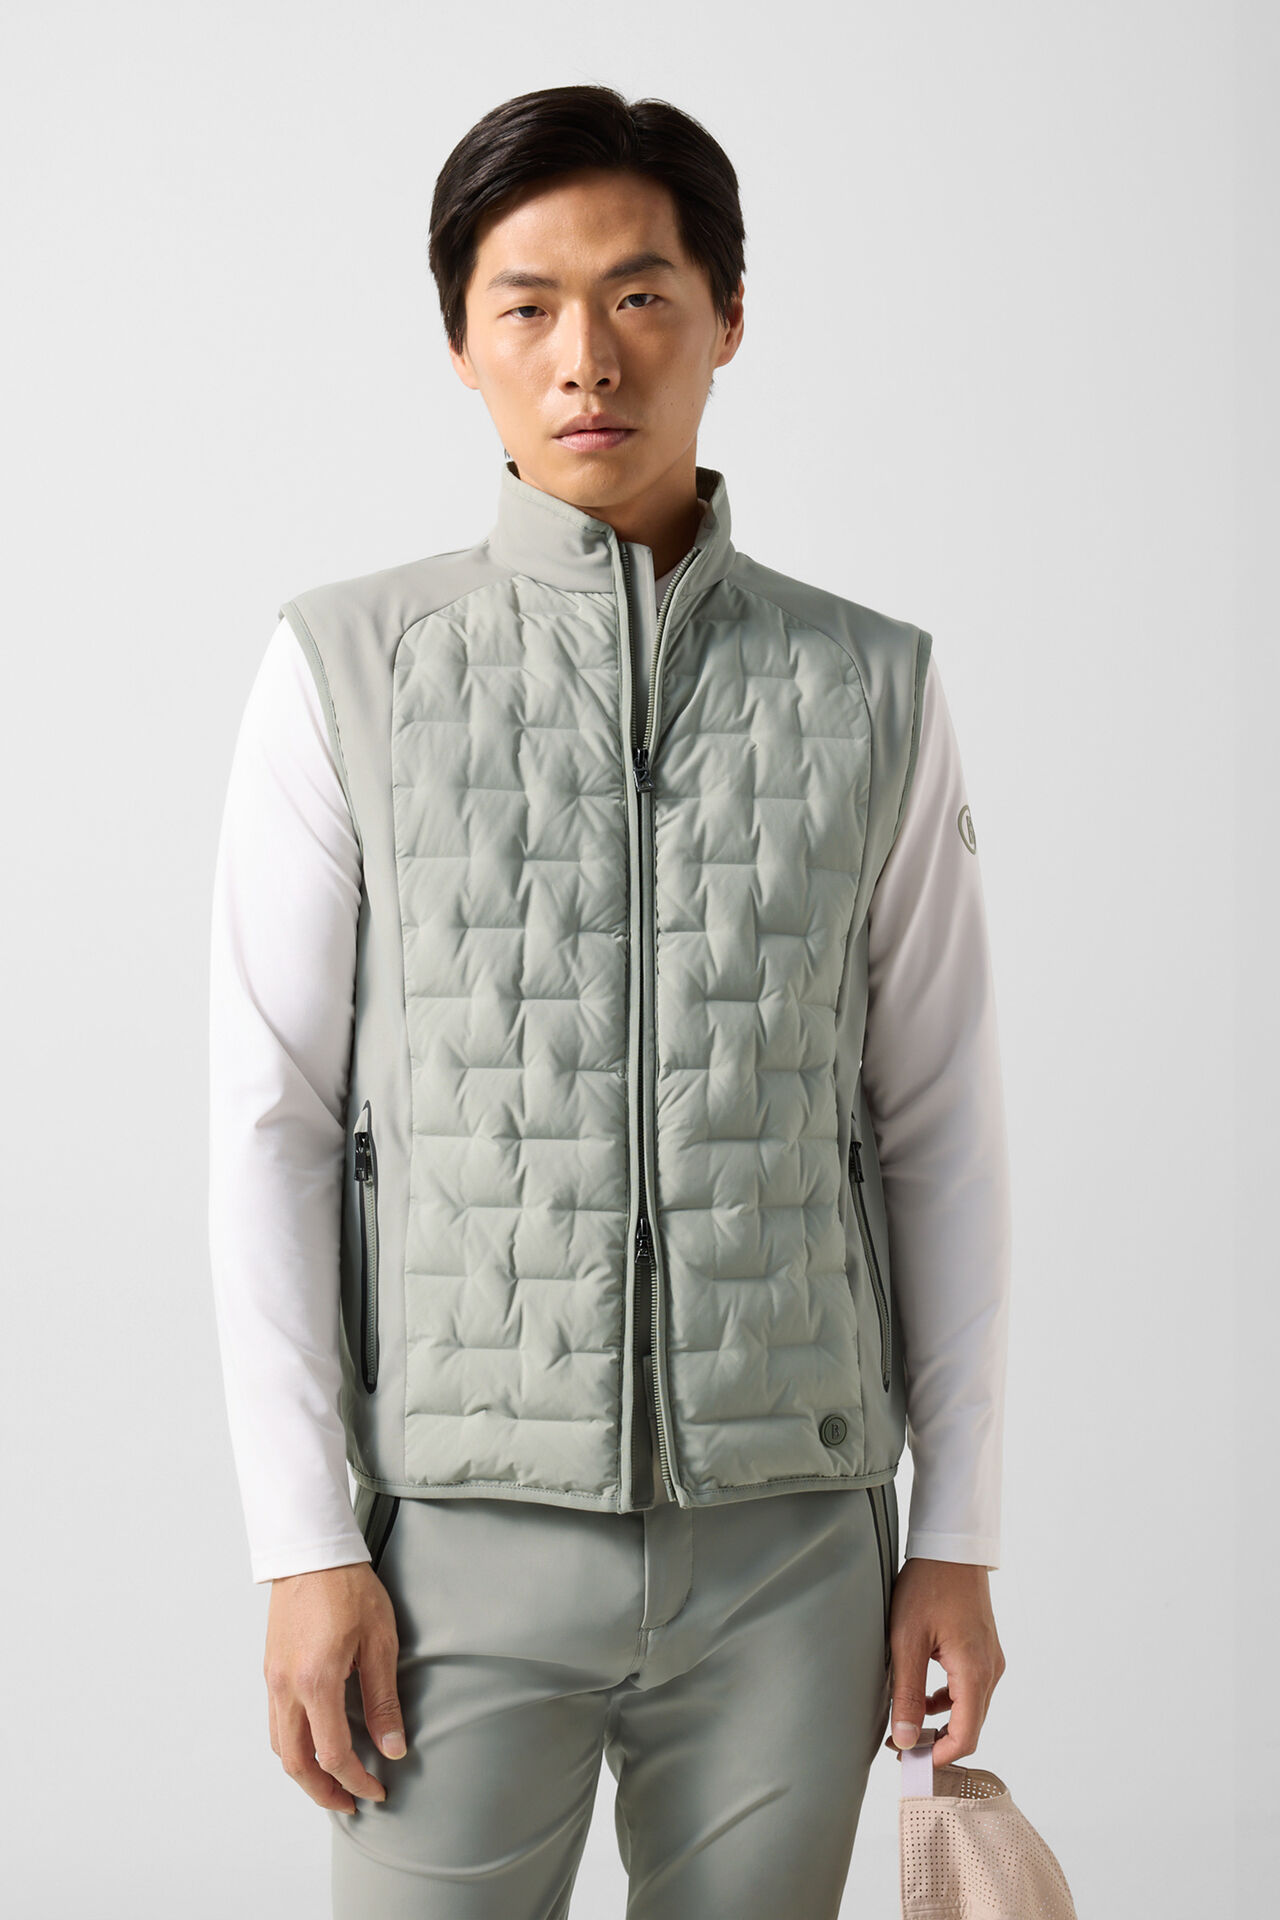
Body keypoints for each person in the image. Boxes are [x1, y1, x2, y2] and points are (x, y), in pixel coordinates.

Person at [208, 82, 1012, 1920]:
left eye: (643, 296)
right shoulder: (343, 669)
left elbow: (939, 1125)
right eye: (530, 305)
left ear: (726, 318)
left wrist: (956, 1534)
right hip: (449, 1558)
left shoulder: (873, 687)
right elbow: (269, 1124)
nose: (589, 357)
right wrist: (303, 1545)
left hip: (792, 1556)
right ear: (462, 340)